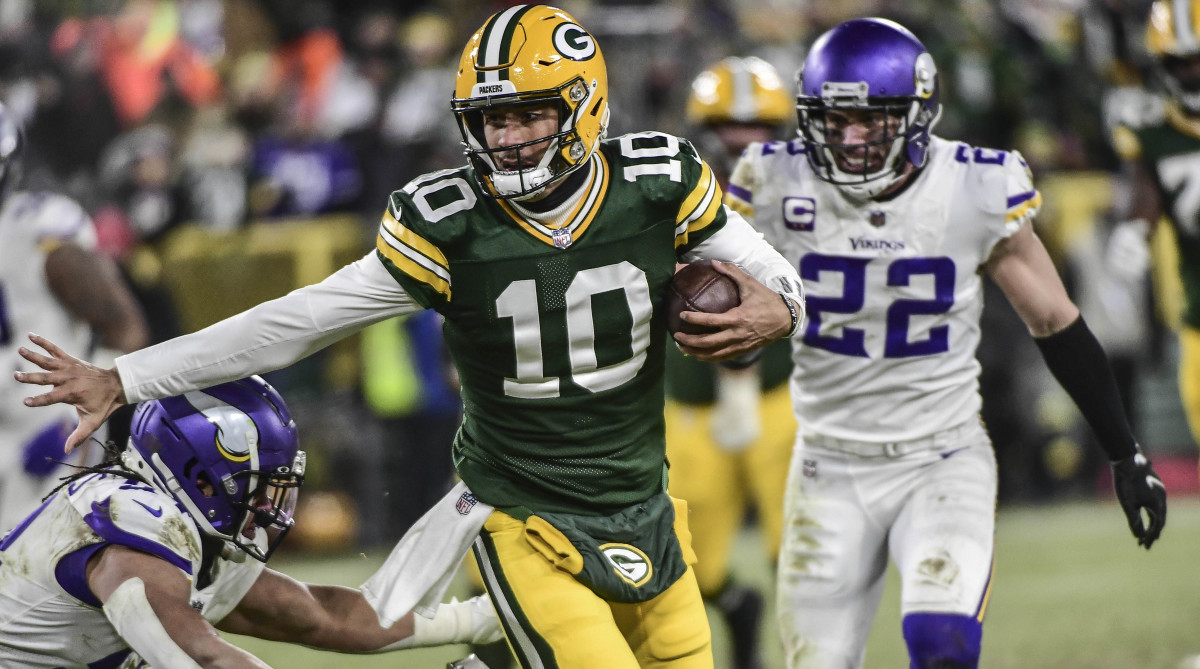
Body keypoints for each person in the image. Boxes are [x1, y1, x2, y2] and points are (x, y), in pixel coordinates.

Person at [15, 6, 807, 669]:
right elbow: (301, 319)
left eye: (529, 114)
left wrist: (785, 306)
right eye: (493, 118)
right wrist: (129, 376)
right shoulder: (450, 223)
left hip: (644, 504)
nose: (510, 138)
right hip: (521, 511)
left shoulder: (657, 180)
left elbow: (766, 265)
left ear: (584, 107)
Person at [721, 18, 1168, 669]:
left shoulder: (973, 186)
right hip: (827, 464)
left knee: (943, 645)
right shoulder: (772, 180)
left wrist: (1124, 452)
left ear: (917, 114)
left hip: (941, 457)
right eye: (834, 119)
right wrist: (735, 337)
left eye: (870, 120)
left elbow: (1055, 321)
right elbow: (726, 321)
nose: (849, 139)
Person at [0, 375, 501, 668]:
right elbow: (202, 657)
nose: (268, 506)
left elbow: (322, 616)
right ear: (200, 478)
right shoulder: (133, 524)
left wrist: (485, 618)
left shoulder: (189, 534)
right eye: (257, 486)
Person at [664, 56, 797, 669]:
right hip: (694, 403)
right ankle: (738, 608)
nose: (744, 139)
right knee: (684, 567)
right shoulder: (666, 198)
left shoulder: (803, 199)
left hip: (781, 397)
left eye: (758, 126)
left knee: (800, 556)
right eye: (729, 125)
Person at [0, 102, 149, 533]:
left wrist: (78, 414)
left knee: (36, 557)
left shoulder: (33, 228)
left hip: (45, 425)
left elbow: (127, 327)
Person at [1109, 0, 1200, 453]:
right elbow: (1147, 190)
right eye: (1181, 62)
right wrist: (1135, 228)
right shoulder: (1152, 128)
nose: (1193, 72)